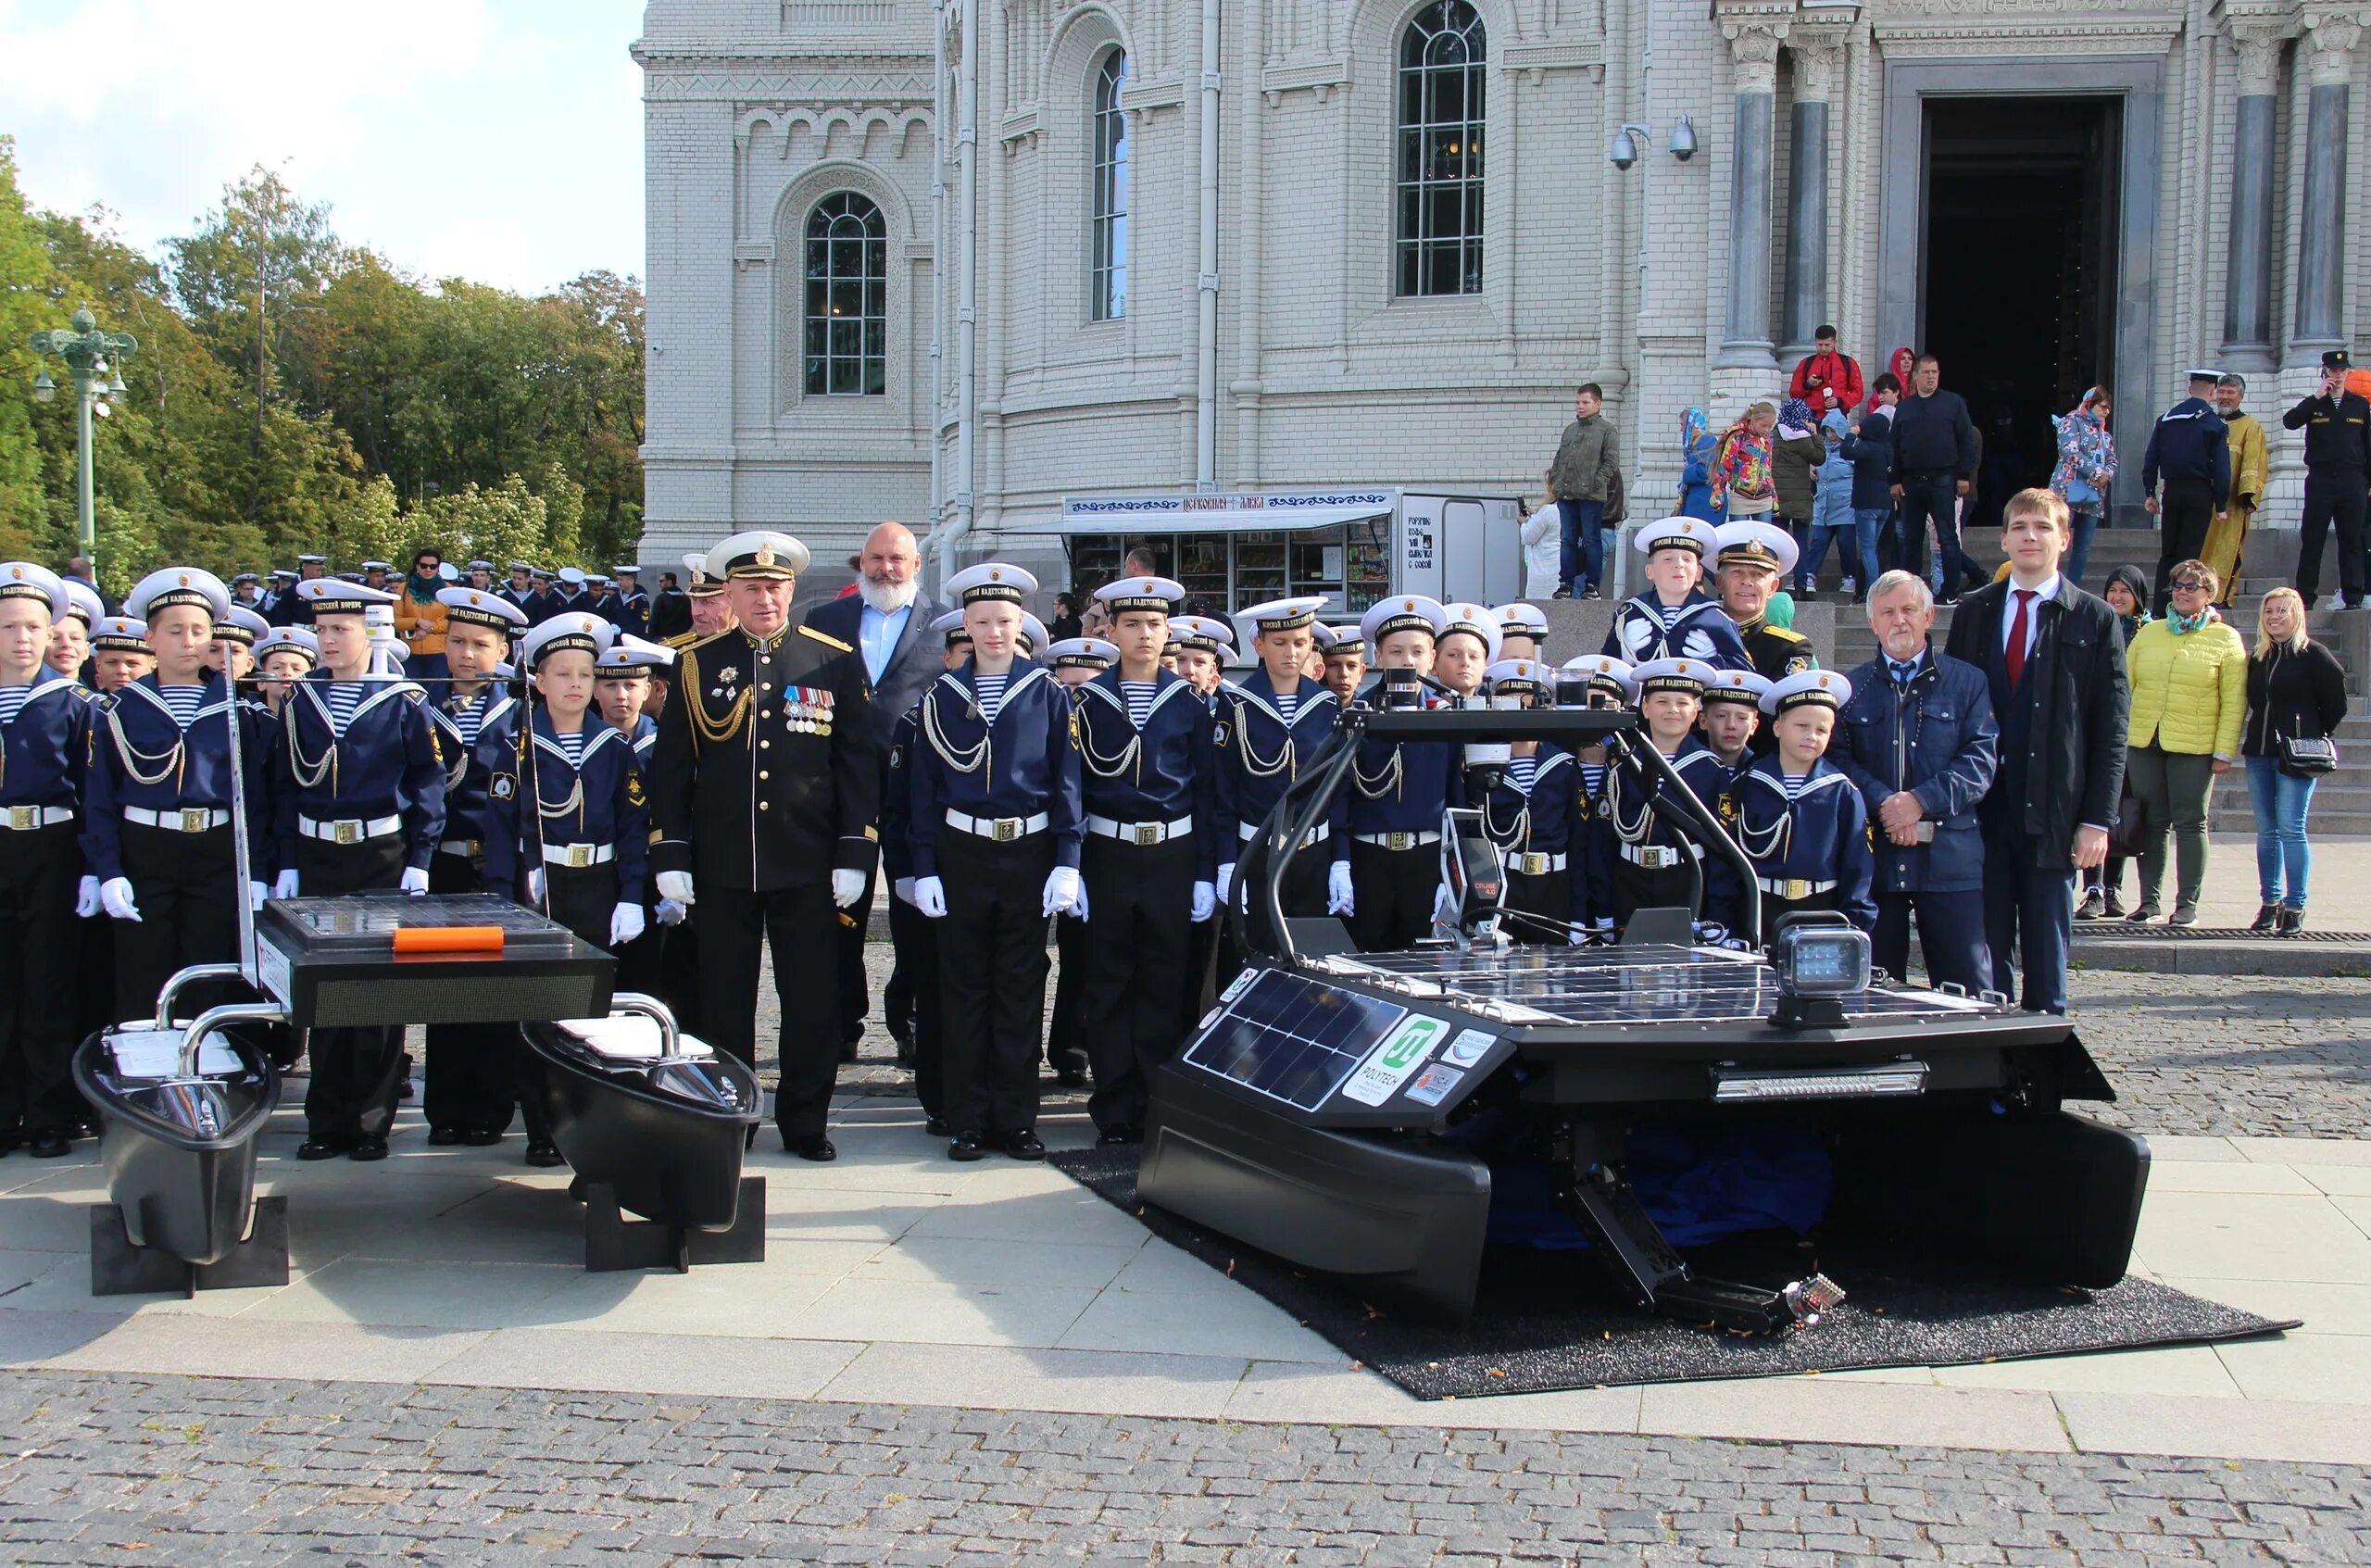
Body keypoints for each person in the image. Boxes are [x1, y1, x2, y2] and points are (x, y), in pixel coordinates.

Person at [649, 531, 876, 1163]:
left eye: (775, 588)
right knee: (723, 1000)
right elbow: (673, 768)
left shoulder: (830, 657)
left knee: (812, 1000)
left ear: (792, 590)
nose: (766, 599)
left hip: (808, 863)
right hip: (725, 862)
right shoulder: (697, 662)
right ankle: (731, 1114)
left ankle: (805, 1119)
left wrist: (856, 848)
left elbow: (857, 763)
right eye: (752, 588)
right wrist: (670, 851)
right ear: (732, 593)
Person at [908, 562, 1085, 1163]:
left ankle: (1016, 1117)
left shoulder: (1047, 692)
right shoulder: (942, 697)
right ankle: (968, 1119)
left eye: (1005, 621)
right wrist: (923, 864)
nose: (993, 632)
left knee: (1019, 985)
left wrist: (1067, 858)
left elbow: (1067, 780)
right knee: (963, 989)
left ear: (1022, 625)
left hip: (1028, 851)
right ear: (966, 625)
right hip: (961, 852)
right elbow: (923, 790)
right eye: (981, 621)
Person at [270, 577, 447, 1160]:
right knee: (325, 990)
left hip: (379, 854)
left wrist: (420, 858)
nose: (327, 642)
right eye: (321, 630)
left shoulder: (401, 700)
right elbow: (285, 786)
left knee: (376, 991)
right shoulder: (303, 697)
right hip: (320, 853)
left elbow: (426, 782)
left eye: (340, 631)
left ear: (368, 633)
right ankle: (326, 1119)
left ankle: (371, 1119)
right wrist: (290, 861)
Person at [1943, 488, 2128, 1016]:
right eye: (2020, 526)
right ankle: (1992, 1072)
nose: (2030, 536)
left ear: (2064, 540)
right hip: (1984, 810)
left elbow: (2111, 726)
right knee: (1985, 956)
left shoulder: (2094, 618)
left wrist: (2098, 818)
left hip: (2056, 810)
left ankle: (2041, 1073)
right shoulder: (1974, 612)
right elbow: (1952, 713)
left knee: (2047, 957)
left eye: (2043, 527)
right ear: (2003, 539)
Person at [83, 568, 273, 1035]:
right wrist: (107, 870)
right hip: (145, 847)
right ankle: (143, 1091)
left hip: (215, 849)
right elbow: (100, 799)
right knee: (140, 971)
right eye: (174, 631)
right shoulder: (119, 708)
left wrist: (261, 873)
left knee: (207, 969)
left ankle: (205, 1083)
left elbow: (258, 798)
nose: (188, 642)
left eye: (198, 631)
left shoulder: (237, 707)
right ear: (150, 637)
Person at [496, 613, 647, 1164]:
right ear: (538, 681)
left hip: (598, 886)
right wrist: (505, 891)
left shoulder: (612, 746)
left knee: (594, 1011)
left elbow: (632, 826)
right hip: (544, 886)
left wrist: (632, 893)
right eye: (562, 674)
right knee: (540, 1010)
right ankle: (543, 1127)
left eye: (586, 673)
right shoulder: (517, 745)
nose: (577, 685)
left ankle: (592, 1121)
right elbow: (499, 826)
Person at [1073, 575, 1218, 1144]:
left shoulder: (1189, 704)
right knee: (1108, 982)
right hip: (1108, 852)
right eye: (1131, 624)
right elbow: (1074, 789)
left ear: (1169, 634)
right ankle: (1112, 1104)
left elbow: (1207, 793)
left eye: (1155, 624)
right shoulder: (1087, 700)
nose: (1144, 634)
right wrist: (1075, 865)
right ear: (1110, 631)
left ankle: (1156, 1102)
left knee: (1164, 981)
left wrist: (1207, 873)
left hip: (1171, 854)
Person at [801, 522, 947, 1065]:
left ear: (916, 565)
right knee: (841, 910)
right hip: (841, 789)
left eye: (897, 559)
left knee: (915, 910)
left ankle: (910, 1021)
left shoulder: (943, 627)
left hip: (915, 791)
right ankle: (842, 1022)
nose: (885, 568)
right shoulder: (824, 621)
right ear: (860, 563)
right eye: (876, 559)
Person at [1834, 571, 1998, 992]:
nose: (1899, 621)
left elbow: (1979, 761)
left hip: (1951, 858)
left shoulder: (1968, 682)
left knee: (1967, 986)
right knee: (1872, 988)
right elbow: (1837, 760)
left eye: (1908, 610)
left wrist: (1920, 801)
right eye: (1887, 612)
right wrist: (1886, 803)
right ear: (1872, 622)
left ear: (1929, 616)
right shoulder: (1850, 687)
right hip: (1876, 858)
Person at [418, 586, 530, 1148]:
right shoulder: (422, 705)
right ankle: (445, 1108)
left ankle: (490, 1106)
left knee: (497, 991)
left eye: (480, 645)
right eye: (456, 642)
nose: (465, 655)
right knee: (446, 988)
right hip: (445, 869)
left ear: (503, 649)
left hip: (500, 870)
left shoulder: (521, 711)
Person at [0, 563, 95, 1159]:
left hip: (51, 845)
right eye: (9, 626)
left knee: (47, 981)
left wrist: (90, 867)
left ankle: (49, 1111)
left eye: (35, 626)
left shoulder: (72, 703)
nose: (23, 638)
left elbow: (92, 790)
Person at [2121, 559, 2247, 926]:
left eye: (2191, 586)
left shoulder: (2225, 639)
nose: (2182, 591)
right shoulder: (2150, 632)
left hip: (2195, 745)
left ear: (2209, 593)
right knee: (2151, 822)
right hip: (2145, 739)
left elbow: (2234, 700)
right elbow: (2124, 687)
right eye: (2177, 585)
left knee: (2191, 822)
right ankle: (2149, 902)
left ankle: (2187, 903)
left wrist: (2224, 751)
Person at [1710, 671, 1876, 946]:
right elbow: (1725, 861)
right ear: (1777, 727)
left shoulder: (1842, 791)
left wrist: (1855, 923)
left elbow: (1857, 867)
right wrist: (1724, 922)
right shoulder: (1747, 785)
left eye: (1822, 730)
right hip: (1759, 909)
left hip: (1822, 911)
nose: (1811, 736)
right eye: (1801, 726)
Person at [1214, 596, 1349, 929]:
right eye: (1279, 642)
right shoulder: (1236, 705)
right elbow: (1223, 789)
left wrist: (1341, 861)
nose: (1291, 652)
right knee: (1260, 950)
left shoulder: (1326, 706)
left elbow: (1339, 790)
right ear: (1259, 645)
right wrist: (1227, 861)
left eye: (1300, 642)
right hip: (1257, 849)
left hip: (1314, 852)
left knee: (1311, 954)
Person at [1344, 596, 1457, 949]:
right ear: (1377, 657)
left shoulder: (1448, 716)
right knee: (1368, 955)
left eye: (1417, 652)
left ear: (1432, 659)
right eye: (1395, 651)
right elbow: (1342, 796)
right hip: (1369, 859)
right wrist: (1340, 863)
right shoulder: (1356, 714)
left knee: (1425, 961)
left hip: (1427, 860)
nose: (1407, 660)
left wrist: (1451, 872)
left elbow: (1459, 798)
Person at [2241, 587, 2348, 935]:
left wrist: (2315, 730)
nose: (2274, 618)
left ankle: (2295, 905)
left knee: (2291, 828)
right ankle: (2269, 902)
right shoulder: (2258, 656)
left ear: (2297, 615)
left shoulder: (2313, 654)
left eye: (2282, 611)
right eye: (2269, 611)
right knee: (2266, 831)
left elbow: (2336, 700)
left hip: (2297, 754)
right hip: (2259, 750)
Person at [1597, 657, 1731, 933]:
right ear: (1645, 708)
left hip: (1687, 879)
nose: (1672, 710)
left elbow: (1722, 850)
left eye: (1683, 703)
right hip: (1630, 881)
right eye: (1661, 702)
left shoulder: (1710, 769)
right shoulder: (1623, 765)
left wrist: (1719, 914)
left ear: (1696, 712)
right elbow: (1603, 843)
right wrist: (1602, 909)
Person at [1478, 658, 1582, 943]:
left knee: (1552, 975)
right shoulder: (1479, 764)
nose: (1521, 712)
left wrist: (1580, 913)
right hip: (1502, 885)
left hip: (1554, 885)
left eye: (1529, 703)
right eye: (1510, 703)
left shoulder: (1564, 765)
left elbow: (1580, 841)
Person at [2080, 565, 2152, 919]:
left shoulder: (2150, 633)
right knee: (2094, 808)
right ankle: (2092, 888)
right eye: (2113, 589)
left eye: (2125, 590)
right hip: (2096, 729)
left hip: (2134, 735)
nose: (2117, 597)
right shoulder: (2094, 625)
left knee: (2121, 812)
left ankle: (2113, 888)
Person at [1889, 354, 1979, 604]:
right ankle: (1910, 591)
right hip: (1911, 481)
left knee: (1947, 537)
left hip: (1944, 479)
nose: (1931, 377)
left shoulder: (1953, 403)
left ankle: (1949, 592)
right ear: (1915, 376)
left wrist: (1963, 475)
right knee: (1911, 538)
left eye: (1935, 372)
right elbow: (1894, 446)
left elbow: (1966, 440)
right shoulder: (1904, 408)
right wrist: (1894, 480)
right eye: (1926, 372)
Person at [2286, 348, 2371, 610]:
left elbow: (2367, 444)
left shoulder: (2359, 404)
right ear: (2324, 372)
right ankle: (2306, 597)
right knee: (2313, 540)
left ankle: (2353, 596)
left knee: (2352, 540)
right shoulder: (2314, 403)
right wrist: (2316, 396)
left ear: (2348, 372)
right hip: (2321, 480)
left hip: (2352, 480)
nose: (2338, 374)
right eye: (2333, 370)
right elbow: (2290, 422)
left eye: (2342, 370)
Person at [1605, 516, 1750, 669]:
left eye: (1687, 560)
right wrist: (1623, 656)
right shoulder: (1631, 613)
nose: (1679, 565)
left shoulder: (1715, 618)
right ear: (1649, 571)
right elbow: (1603, 672)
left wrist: (1714, 664)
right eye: (1668, 559)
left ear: (1699, 572)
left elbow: (1745, 674)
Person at [2140, 370, 2231, 613]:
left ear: (2190, 389)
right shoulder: (2214, 424)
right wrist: (2221, 504)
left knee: (2168, 552)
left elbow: (2151, 458)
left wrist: (2150, 491)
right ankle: (2183, 607)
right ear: (2212, 392)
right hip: (2200, 492)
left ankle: (2161, 608)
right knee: (2190, 553)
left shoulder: (2166, 419)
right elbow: (2222, 469)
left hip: (2171, 490)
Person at [1712, 521, 1815, 684]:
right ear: (1719, 582)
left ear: (1773, 587)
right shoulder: (1697, 636)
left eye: (1757, 574)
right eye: (1737, 572)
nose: (1747, 582)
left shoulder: (1790, 648)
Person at [2197, 376, 2266, 607]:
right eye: (2222, 392)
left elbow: (2254, 462)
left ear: (2241, 397)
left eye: (2231, 393)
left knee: (2225, 549)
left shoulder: (2250, 427)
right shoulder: (2205, 421)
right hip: (2203, 497)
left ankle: (2219, 595)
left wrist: (2249, 495)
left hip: (2232, 501)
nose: (2225, 397)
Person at [1549, 383, 1619, 599]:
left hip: (1591, 496)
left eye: (1585, 402)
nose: (1580, 406)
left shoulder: (1607, 430)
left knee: (1591, 540)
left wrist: (1597, 482)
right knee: (1567, 539)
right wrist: (1556, 481)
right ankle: (1566, 583)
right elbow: (1560, 457)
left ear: (1597, 404)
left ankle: (1592, 585)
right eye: (1578, 402)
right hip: (1567, 494)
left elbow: (1611, 462)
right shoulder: (1570, 430)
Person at [2050, 386, 2117, 586]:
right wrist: (2097, 472)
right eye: (2102, 407)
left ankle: (2072, 587)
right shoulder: (2071, 422)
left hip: (2092, 497)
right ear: (2089, 404)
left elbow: (2112, 460)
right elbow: (2069, 452)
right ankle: (2049, 582)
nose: (2106, 412)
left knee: (2082, 547)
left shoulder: (2104, 433)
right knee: (2056, 540)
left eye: (2109, 408)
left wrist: (2107, 474)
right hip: (2067, 493)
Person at [1838, 377, 1899, 599]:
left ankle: (1874, 590)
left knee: (1867, 549)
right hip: (1885, 503)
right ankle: (1871, 588)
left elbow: (1846, 452)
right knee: (1873, 547)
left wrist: (1851, 434)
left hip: (1867, 503)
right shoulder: (1887, 449)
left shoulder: (1868, 448)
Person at [1800, 408, 1859, 599]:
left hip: (1845, 504)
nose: (1831, 435)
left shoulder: (1851, 448)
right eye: (1828, 431)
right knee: (1818, 540)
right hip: (1823, 503)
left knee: (1845, 542)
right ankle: (1809, 574)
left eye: (1834, 431)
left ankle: (1850, 576)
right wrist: (1811, 472)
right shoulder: (1821, 448)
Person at [1770, 399, 1826, 587]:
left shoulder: (1775, 435)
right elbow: (1819, 458)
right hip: (1800, 498)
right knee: (1801, 542)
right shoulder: (1803, 438)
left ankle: (1771, 582)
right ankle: (1801, 585)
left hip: (1778, 498)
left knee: (1776, 543)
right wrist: (1815, 434)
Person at [1698, 667, 1770, 783]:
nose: (1731, 725)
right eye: (1721, 716)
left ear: (1753, 726)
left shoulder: (1765, 774)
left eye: (1741, 718)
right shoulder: (1688, 768)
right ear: (1703, 721)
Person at [1709, 404, 1777, 522]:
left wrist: (1774, 497)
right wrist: (1718, 493)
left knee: (1763, 539)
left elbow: (1767, 469)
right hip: (1741, 496)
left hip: (1764, 498)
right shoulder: (1738, 436)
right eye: (1763, 425)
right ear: (1753, 419)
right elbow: (1725, 467)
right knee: (1740, 537)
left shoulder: (1767, 439)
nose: (1767, 430)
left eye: (1770, 427)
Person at [395, 548, 450, 685]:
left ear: (438, 568)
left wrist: (429, 627)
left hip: (438, 653)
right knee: (411, 694)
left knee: (437, 694)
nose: (428, 570)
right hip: (409, 652)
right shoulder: (404, 588)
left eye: (433, 566)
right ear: (417, 566)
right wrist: (417, 622)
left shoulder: (448, 589)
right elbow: (395, 621)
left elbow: (452, 622)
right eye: (424, 565)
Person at [1789, 325, 1865, 418]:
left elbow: (1858, 392)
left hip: (1837, 414)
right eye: (1820, 345)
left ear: (1834, 342)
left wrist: (1840, 401)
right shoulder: (1806, 363)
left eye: (1827, 345)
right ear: (1815, 342)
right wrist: (1807, 385)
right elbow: (1794, 393)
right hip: (1811, 415)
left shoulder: (1848, 363)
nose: (1823, 348)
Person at [1675, 408, 1721, 523]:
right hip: (1698, 502)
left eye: (1683, 425)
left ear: (1692, 425)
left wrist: (1686, 473)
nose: (1681, 429)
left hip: (1705, 504)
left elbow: (1705, 472)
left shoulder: (1707, 441)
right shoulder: (1695, 445)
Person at [1519, 495, 1560, 600]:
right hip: (1558, 567)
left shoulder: (1547, 511)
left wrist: (1523, 523)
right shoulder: (1565, 510)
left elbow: (1528, 537)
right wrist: (1535, 516)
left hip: (1542, 569)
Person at [1315, 623, 1366, 703]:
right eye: (1334, 665)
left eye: (1351, 666)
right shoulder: (1306, 711)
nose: (1343, 674)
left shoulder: (1374, 709)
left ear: (1361, 672)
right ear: (1321, 670)